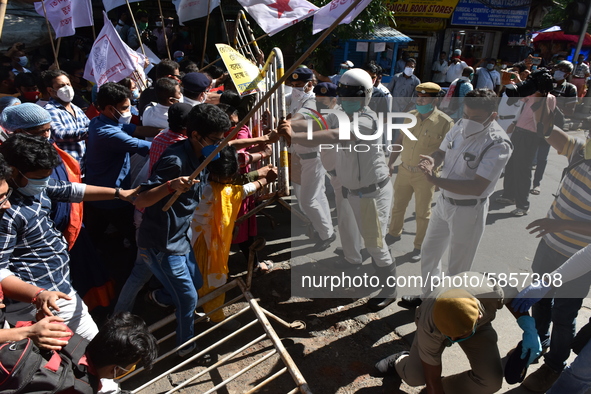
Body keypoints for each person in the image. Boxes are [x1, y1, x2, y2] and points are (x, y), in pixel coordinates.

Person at [0, 133, 137, 340]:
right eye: (38, 178)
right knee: (93, 350)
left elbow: (70, 190)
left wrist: (120, 193)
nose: (44, 182)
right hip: (39, 301)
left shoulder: (32, 187)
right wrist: (37, 295)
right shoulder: (6, 213)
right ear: (14, 172)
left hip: (57, 286)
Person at [282, 69, 396, 311]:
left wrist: (294, 135)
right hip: (350, 189)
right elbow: (317, 121)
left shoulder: (367, 121)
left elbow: (332, 134)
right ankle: (355, 262)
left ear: (365, 96)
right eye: (343, 96)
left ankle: (390, 287)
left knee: (375, 243)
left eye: (352, 97)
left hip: (372, 193)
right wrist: (289, 122)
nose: (346, 101)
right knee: (347, 229)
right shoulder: (341, 113)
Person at [400, 89, 512, 308]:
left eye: (476, 118)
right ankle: (429, 298)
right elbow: (441, 152)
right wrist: (432, 161)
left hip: (469, 210)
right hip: (444, 203)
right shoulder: (459, 125)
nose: (469, 121)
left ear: (494, 115)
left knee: (457, 267)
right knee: (429, 252)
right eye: (467, 114)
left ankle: (446, 309)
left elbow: (478, 186)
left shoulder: (498, 143)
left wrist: (435, 181)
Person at [134, 104, 230, 358]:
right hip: (161, 244)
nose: (219, 145)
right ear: (196, 135)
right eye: (215, 140)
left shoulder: (204, 154)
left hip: (181, 237)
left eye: (223, 140)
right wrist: (170, 186)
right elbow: (141, 200)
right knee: (187, 298)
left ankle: (159, 296)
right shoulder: (174, 161)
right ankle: (185, 346)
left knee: (195, 283)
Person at [509, 125, 591, 393]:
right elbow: (549, 132)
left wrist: (561, 225)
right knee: (540, 301)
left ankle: (555, 364)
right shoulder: (582, 152)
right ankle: (538, 340)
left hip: (580, 257)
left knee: (564, 315)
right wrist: (539, 102)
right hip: (549, 246)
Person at [375, 272, 542, 394]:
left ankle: (445, 387)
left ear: (479, 315)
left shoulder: (491, 290)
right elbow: (432, 380)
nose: (453, 340)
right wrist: (434, 387)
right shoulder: (429, 325)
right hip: (436, 329)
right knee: (414, 377)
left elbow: (512, 297)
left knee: (490, 382)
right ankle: (401, 359)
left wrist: (528, 327)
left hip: (478, 329)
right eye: (451, 336)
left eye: (458, 336)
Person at [191, 146, 276, 324]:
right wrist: (265, 180)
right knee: (215, 277)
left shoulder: (199, 181)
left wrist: (259, 175)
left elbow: (235, 186)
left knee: (193, 277)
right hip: (209, 245)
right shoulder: (219, 192)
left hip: (190, 240)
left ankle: (191, 305)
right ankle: (216, 317)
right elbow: (240, 190)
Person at [83, 82, 160, 262]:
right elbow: (149, 147)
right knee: (136, 237)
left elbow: (138, 129)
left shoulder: (100, 121)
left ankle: (93, 263)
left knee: (94, 234)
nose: (129, 111)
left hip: (99, 190)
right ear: (110, 108)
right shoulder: (108, 133)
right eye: (125, 108)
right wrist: (174, 140)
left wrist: (164, 131)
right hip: (112, 196)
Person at [386, 83, 454, 260]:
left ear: (435, 99)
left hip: (425, 176)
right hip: (404, 170)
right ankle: (394, 233)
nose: (420, 100)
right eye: (418, 96)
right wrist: (391, 162)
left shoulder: (445, 123)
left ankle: (419, 246)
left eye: (425, 97)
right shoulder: (410, 116)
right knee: (398, 206)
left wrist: (440, 177)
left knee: (423, 213)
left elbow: (447, 152)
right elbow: (399, 139)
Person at [287, 68, 335, 251]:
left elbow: (299, 119)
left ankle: (326, 234)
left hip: (312, 158)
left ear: (310, 84)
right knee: (317, 197)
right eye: (294, 85)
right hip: (302, 157)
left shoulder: (312, 102)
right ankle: (325, 229)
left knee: (307, 200)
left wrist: (285, 123)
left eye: (300, 85)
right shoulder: (297, 99)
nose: (296, 88)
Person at [496, 89, 555, 216]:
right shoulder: (531, 95)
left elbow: (541, 118)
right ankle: (509, 195)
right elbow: (517, 100)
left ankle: (523, 205)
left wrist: (539, 96)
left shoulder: (548, 98)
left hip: (530, 134)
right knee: (511, 164)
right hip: (519, 131)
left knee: (522, 169)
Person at [43, 70, 90, 172]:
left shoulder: (76, 109)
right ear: (50, 90)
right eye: (61, 86)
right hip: (65, 168)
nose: (67, 88)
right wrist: (92, 131)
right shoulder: (50, 110)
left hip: (82, 167)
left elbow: (89, 125)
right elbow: (59, 134)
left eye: (68, 84)